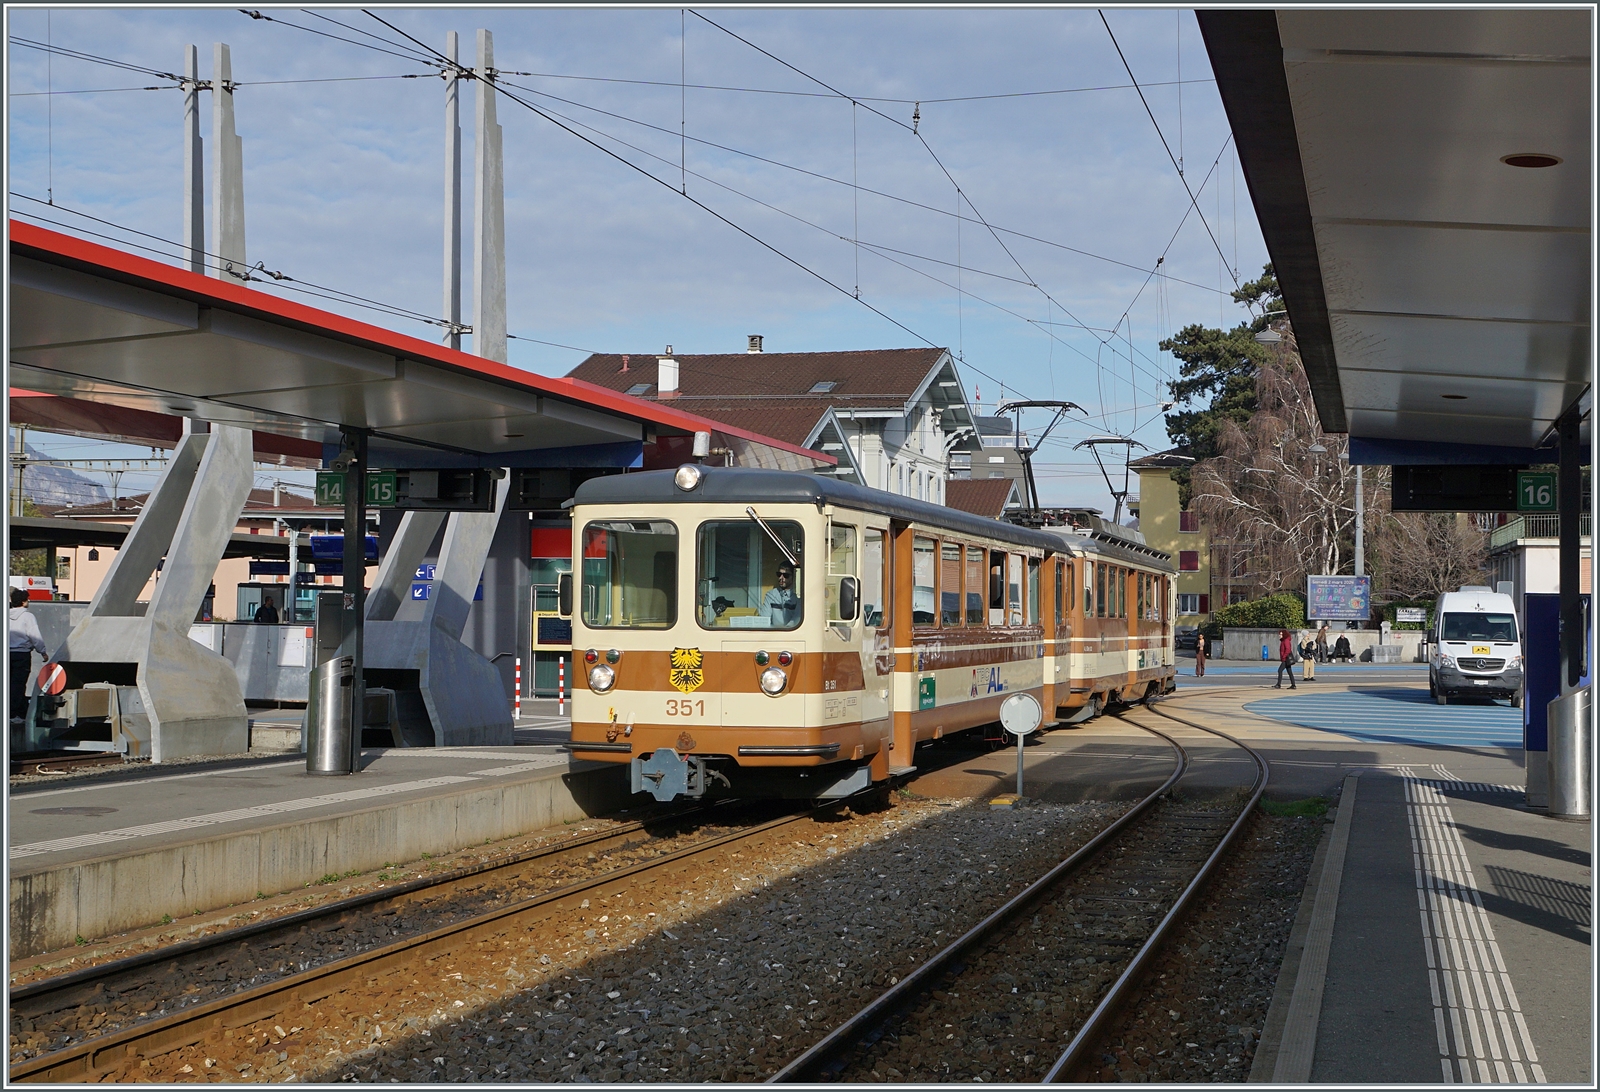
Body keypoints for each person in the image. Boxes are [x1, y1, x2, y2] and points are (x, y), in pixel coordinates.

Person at [10, 587, 47, 725]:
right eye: (27, 599)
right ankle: (14, 714)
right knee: (19, 684)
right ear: (23, 602)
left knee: (8, 683)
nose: (29, 601)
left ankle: (14, 712)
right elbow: (35, 636)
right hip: (22, 655)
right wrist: (42, 651)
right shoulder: (28, 617)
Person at [763, 564, 801, 628]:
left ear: (794, 577)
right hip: (773, 632)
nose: (781, 578)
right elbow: (764, 618)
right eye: (779, 574)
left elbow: (796, 619)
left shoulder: (798, 596)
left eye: (786, 575)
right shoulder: (770, 595)